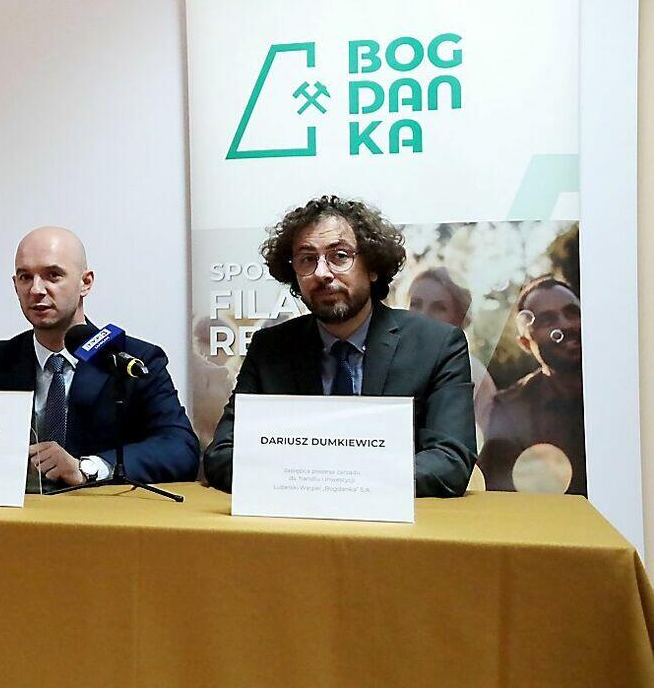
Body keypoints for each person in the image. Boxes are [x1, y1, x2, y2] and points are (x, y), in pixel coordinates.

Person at [203, 196, 476, 498]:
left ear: (372, 267)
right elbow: (223, 455)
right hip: (295, 518)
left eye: (340, 256)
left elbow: (450, 460)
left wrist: (339, 480)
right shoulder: (271, 348)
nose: (322, 273)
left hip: (396, 520)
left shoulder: (437, 345)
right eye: (307, 260)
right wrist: (314, 481)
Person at [0, 226, 199, 487]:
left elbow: (180, 448)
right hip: (17, 509)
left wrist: (87, 468)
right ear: (15, 285)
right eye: (25, 277)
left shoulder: (133, 359)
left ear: (86, 282)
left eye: (53, 275)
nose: (36, 289)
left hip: (95, 509)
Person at [478, 277, 586, 495]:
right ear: (526, 343)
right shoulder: (510, 409)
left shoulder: (625, 386)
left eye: (572, 313)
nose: (565, 325)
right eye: (547, 320)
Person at [406, 267, 497, 433]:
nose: (423, 316)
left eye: (438, 308)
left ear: (460, 319)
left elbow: (487, 441)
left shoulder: (472, 373)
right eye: (415, 304)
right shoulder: (388, 362)